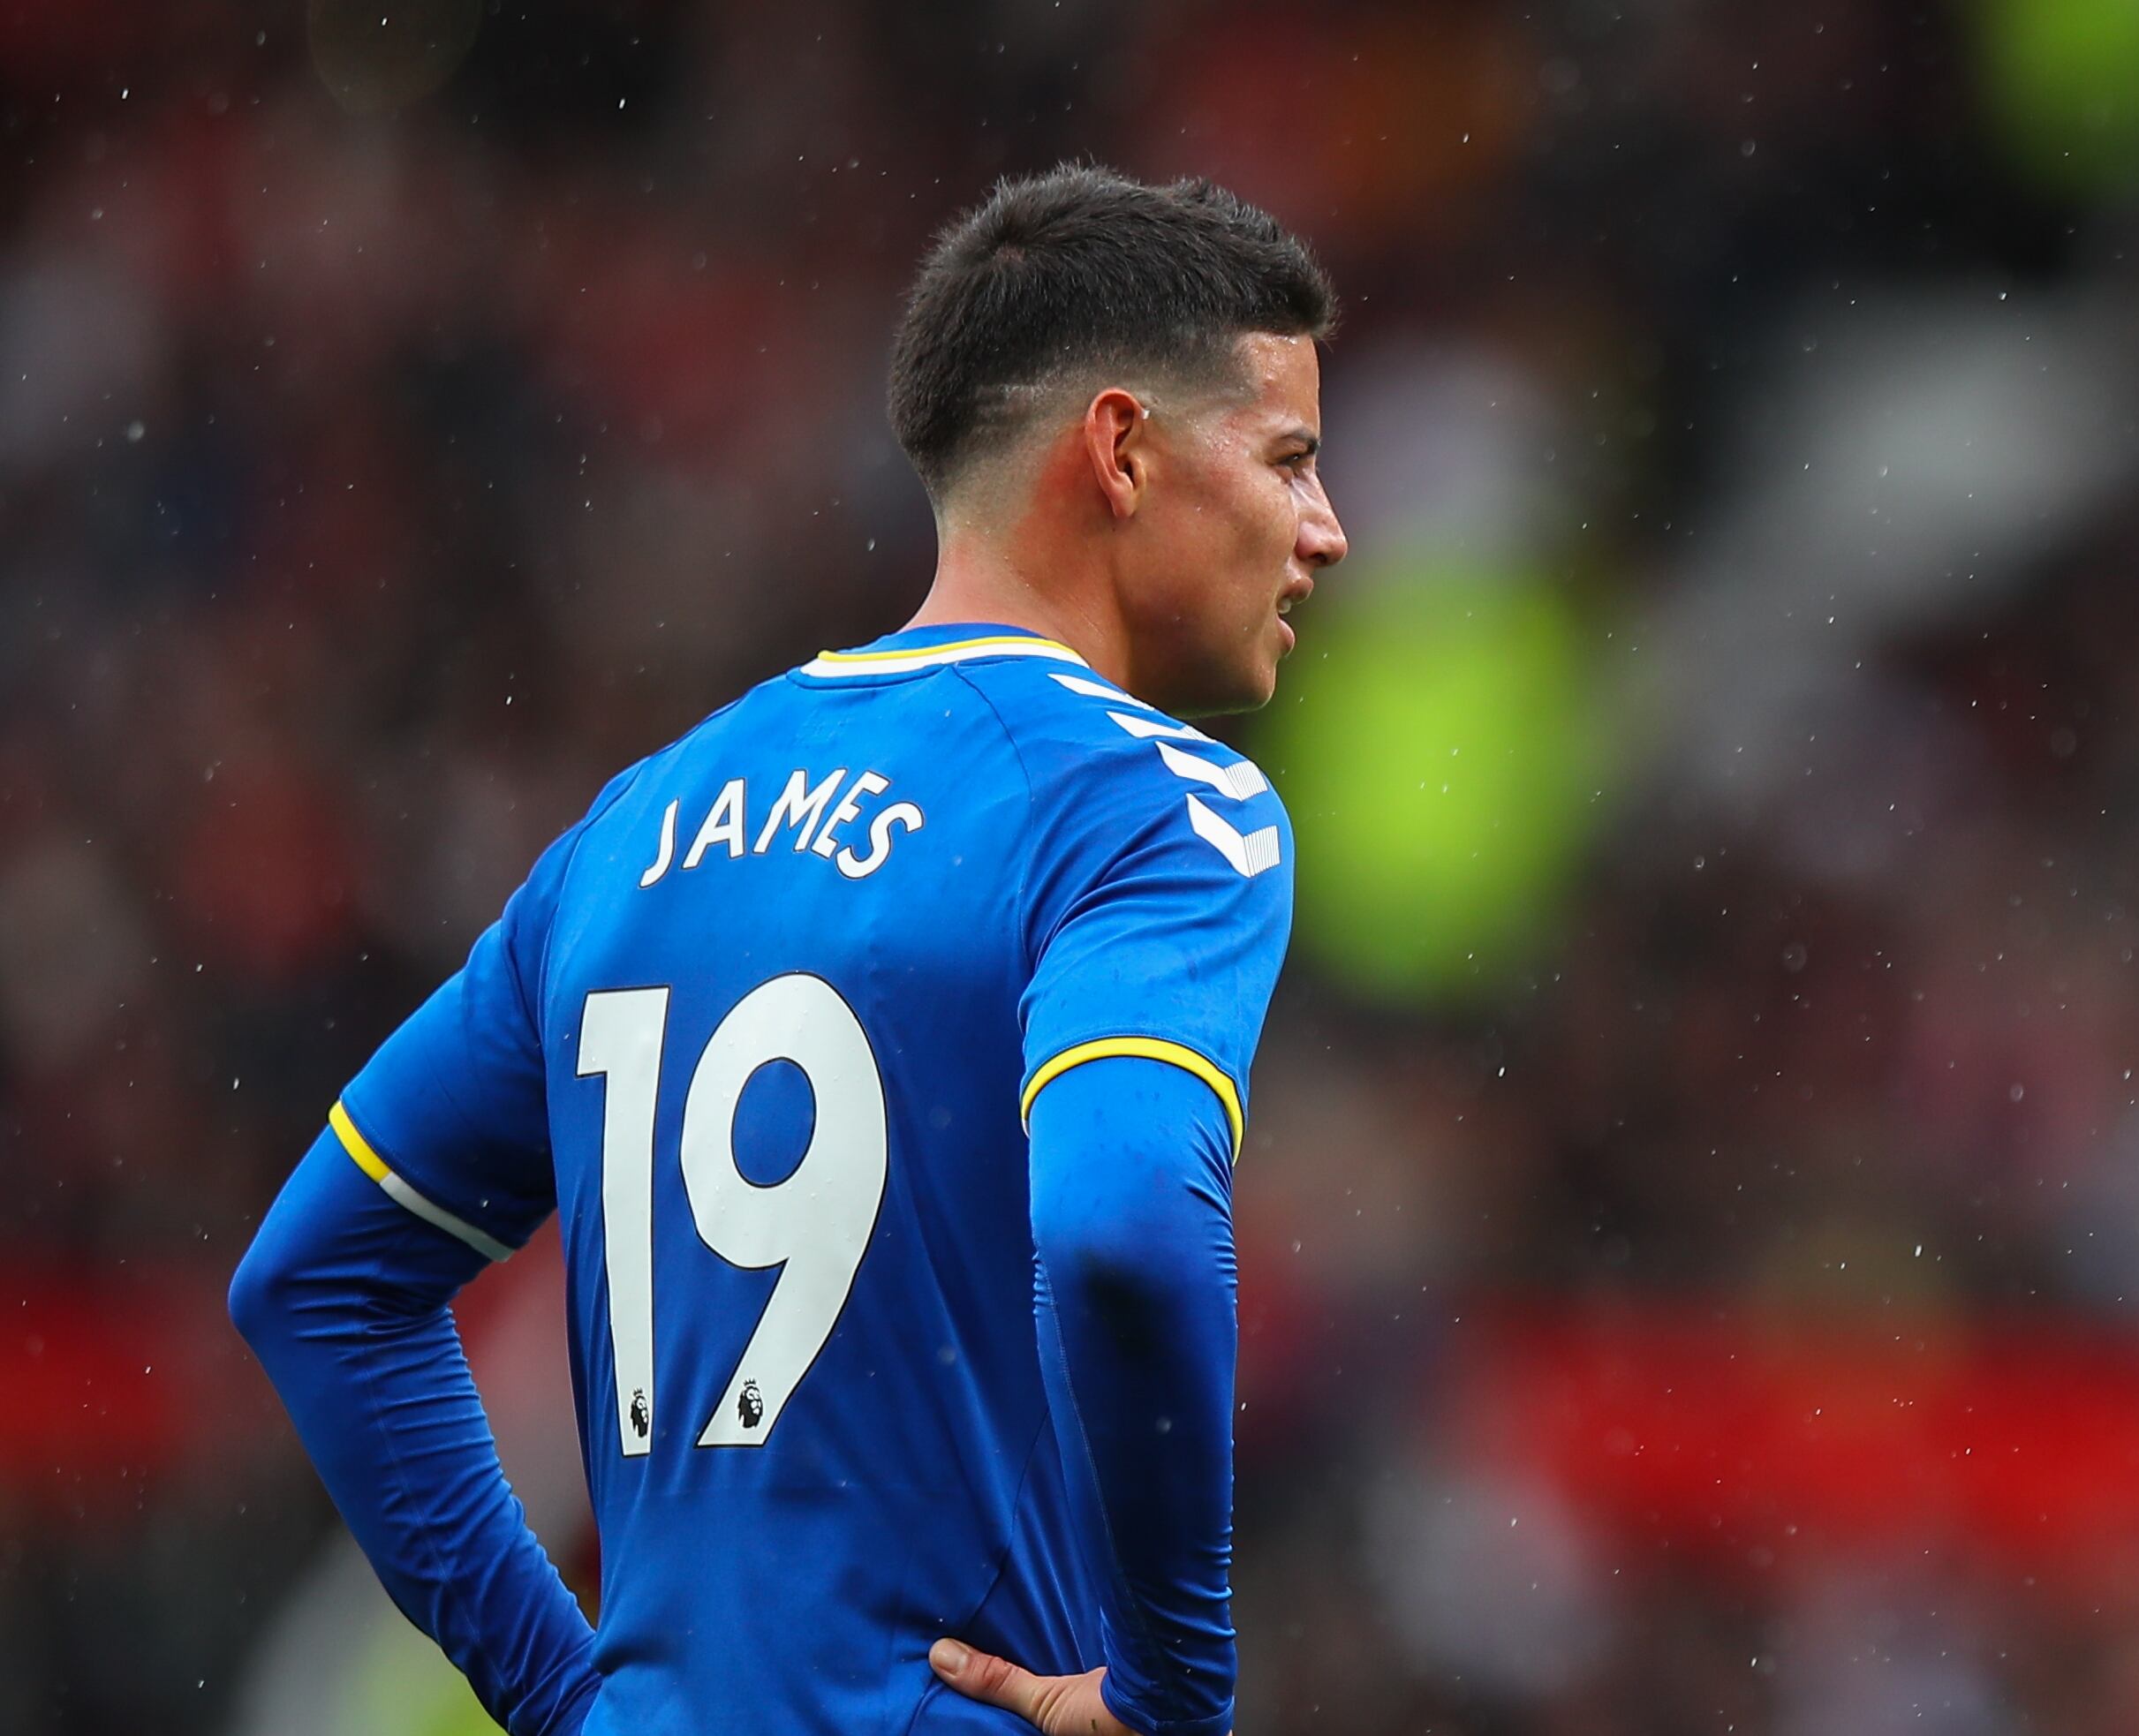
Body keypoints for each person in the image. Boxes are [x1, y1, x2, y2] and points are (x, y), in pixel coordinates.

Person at [229, 162, 1347, 1736]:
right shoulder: (1149, 804)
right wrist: (1174, 1684)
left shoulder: (630, 828)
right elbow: (1119, 1223)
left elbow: (319, 1277)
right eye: (1290, 458)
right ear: (1121, 450)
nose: (1326, 530)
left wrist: (567, 1696)